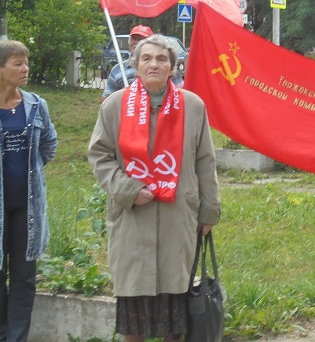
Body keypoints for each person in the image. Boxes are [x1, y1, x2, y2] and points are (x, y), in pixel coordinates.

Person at [88, 35, 220, 341]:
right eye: (146, 58)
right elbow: (99, 155)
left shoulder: (193, 106)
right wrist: (127, 189)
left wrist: (209, 210)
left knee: (176, 317)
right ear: (135, 65)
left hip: (178, 218)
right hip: (133, 220)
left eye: (162, 59)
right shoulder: (115, 106)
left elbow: (205, 160)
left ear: (173, 67)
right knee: (134, 318)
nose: (154, 64)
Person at [0, 41, 57, 342]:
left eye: (26, 62)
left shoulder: (36, 104)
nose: (25, 69)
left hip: (27, 206)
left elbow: (49, 143)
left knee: (23, 277)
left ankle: (17, 337)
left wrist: (31, 169)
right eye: (17, 64)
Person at [102, 25, 183, 101]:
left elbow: (181, 94)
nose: (137, 42)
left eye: (141, 39)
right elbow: (106, 99)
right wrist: (124, 96)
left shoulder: (165, 69)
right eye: (134, 38)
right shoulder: (117, 70)